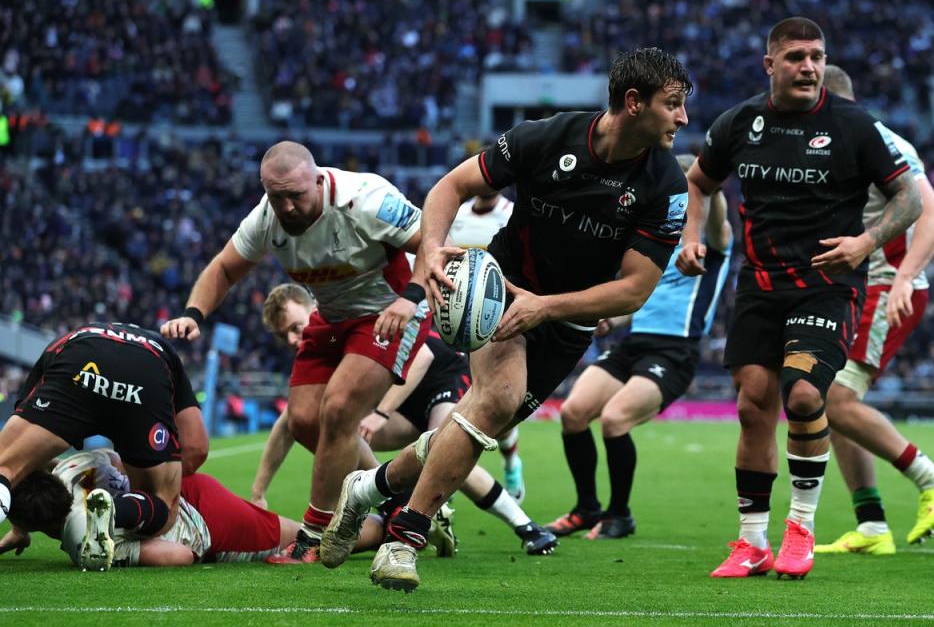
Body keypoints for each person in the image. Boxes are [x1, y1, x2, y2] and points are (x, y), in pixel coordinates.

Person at [319, 46, 694, 592]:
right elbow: (450, 187)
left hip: (567, 321)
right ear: (634, 103)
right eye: (674, 104)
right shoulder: (546, 138)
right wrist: (429, 249)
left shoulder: (666, 186)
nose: (683, 118)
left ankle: (368, 487)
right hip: (499, 288)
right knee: (493, 401)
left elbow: (634, 289)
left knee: (472, 427)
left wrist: (547, 307)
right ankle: (404, 539)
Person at [676, 18, 922, 579]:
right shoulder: (741, 122)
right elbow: (698, 180)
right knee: (751, 405)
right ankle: (751, 542)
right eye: (795, 57)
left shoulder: (854, 125)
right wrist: (692, 237)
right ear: (771, 65)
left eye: (816, 56)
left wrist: (866, 241)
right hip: (759, 286)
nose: (808, 66)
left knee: (806, 395)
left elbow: (908, 198)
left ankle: (801, 530)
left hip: (828, 286)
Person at [161, 141, 433, 564]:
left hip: (388, 310)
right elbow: (224, 267)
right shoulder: (267, 219)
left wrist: (411, 298)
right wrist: (194, 312)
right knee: (304, 420)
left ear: (319, 179)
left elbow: (432, 240)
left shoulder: (367, 199)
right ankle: (397, 500)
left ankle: (314, 534)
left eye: (296, 195)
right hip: (331, 315)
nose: (286, 207)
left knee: (339, 409)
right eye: (276, 196)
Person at [255, 283, 556, 555]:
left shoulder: (342, 317)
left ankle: (527, 526)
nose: (294, 339)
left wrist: (380, 413)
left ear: (313, 307)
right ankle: (397, 503)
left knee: (447, 448)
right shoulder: (316, 347)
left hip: (440, 379)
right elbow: (291, 420)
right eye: (285, 335)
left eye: (296, 326)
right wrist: (258, 493)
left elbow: (422, 357)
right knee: (334, 426)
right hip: (402, 403)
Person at [548, 153, 732, 539]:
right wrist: (611, 319)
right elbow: (639, 301)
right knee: (573, 413)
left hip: (674, 351)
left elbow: (712, 198)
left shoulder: (711, 243)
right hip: (633, 343)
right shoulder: (658, 241)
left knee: (615, 420)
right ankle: (585, 509)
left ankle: (619, 515)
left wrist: (703, 179)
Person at [811, 66, 934, 556]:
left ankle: (932, 478)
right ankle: (871, 525)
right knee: (830, 401)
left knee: (833, 400)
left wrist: (904, 279)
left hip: (885, 284)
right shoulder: (845, 140)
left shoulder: (875, 139)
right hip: (859, 285)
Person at [0, 322, 209, 571]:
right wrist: (149, 470)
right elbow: (196, 448)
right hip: (145, 370)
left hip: (78, 356)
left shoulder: (70, 338)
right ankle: (122, 511)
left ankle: (110, 513)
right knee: (161, 506)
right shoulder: (163, 349)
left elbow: (30, 459)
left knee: (6, 466)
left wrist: (20, 525)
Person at [0, 448, 376, 567]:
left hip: (207, 527)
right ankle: (125, 507)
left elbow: (180, 555)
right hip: (182, 489)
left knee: (314, 540)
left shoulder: (80, 540)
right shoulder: (69, 468)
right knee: (304, 531)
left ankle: (386, 526)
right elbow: (114, 457)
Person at [449, 191, 524, 501]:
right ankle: (445, 472)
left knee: (498, 408)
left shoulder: (512, 213)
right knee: (453, 400)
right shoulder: (458, 216)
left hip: (496, 319)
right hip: (457, 318)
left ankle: (510, 461)